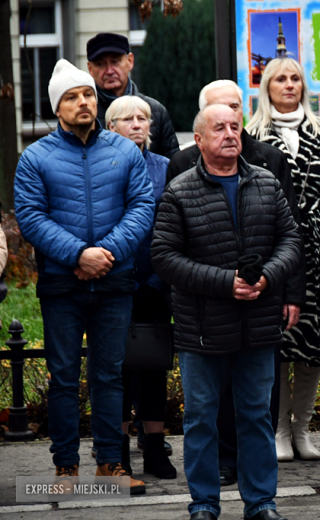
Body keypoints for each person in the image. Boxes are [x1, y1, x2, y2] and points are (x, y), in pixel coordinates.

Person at [152, 104, 299, 520]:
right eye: (219, 128)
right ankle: (203, 503)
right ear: (198, 140)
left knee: (256, 416)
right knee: (201, 419)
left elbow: (291, 240)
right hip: (201, 329)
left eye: (235, 127)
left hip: (258, 324)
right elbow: (164, 257)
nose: (230, 134)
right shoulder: (179, 191)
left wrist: (267, 278)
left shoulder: (267, 183)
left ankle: (262, 503)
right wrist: (224, 282)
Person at [14, 59, 153, 494]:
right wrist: (78, 254)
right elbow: (31, 218)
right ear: (58, 108)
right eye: (73, 97)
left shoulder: (125, 152)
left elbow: (142, 208)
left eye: (88, 94)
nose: (83, 102)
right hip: (61, 285)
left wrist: (105, 254)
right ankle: (65, 468)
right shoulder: (35, 157)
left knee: (110, 374)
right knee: (63, 376)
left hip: (113, 282)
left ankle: (110, 465)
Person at [246, 58, 320, 462]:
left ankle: (302, 431)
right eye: (280, 79)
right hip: (276, 250)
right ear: (266, 87)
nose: (289, 85)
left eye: (295, 79)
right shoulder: (252, 134)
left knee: (313, 347)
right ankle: (279, 431)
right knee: (280, 346)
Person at [104, 95, 176, 479]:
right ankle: (117, 451)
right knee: (116, 369)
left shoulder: (165, 168)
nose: (136, 124)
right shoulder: (99, 167)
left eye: (143, 118)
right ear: (110, 126)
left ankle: (154, 446)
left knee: (153, 366)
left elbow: (173, 229)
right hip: (113, 283)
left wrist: (155, 280)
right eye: (127, 118)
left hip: (155, 282)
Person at [87, 32, 179, 158]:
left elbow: (173, 166)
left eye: (115, 62)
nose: (109, 71)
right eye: (100, 64)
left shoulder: (156, 111)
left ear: (130, 61)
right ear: (90, 69)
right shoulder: (86, 114)